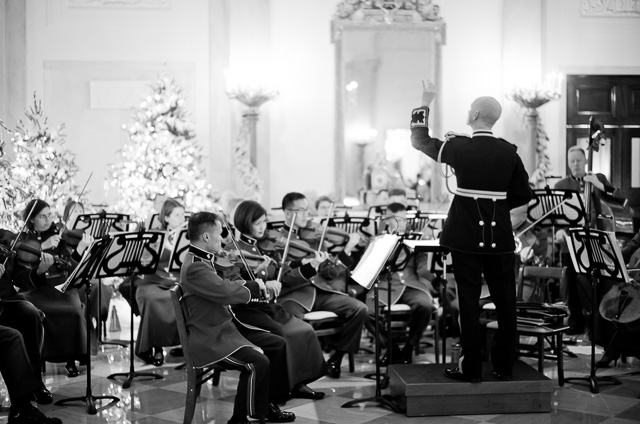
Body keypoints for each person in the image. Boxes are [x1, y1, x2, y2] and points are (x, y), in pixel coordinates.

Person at [411, 81, 533, 382]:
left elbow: (419, 140)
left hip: (465, 237)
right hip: (501, 240)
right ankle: (505, 367)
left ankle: (471, 369)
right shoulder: (509, 152)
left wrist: (425, 100)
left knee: (467, 302)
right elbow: (523, 193)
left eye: (470, 109)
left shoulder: (458, 147)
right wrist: (498, 205)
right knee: (506, 303)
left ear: (476, 114)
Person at [181, 212, 295, 424]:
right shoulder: (196, 266)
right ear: (206, 237)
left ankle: (267, 404)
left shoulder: (204, 259)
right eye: (219, 234)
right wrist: (257, 285)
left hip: (225, 329)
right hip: (210, 338)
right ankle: (240, 419)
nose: (223, 239)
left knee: (277, 344)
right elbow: (224, 290)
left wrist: (249, 278)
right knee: (256, 362)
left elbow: (226, 282)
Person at [229, 200, 326, 399]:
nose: (263, 227)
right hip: (248, 310)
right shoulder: (233, 250)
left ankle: (299, 382)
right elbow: (234, 284)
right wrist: (259, 278)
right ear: (245, 222)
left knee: (304, 329)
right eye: (258, 223)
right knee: (283, 334)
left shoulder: (263, 248)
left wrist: (309, 265)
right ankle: (283, 388)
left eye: (264, 222)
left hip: (269, 307)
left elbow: (286, 275)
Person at [272, 192, 368, 378]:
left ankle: (336, 358)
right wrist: (311, 265)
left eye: (308, 210)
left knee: (359, 309)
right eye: (302, 211)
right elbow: (285, 278)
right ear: (288, 214)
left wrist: (346, 250)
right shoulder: (277, 241)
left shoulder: (316, 237)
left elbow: (330, 273)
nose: (307, 215)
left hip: (322, 291)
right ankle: (298, 372)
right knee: (291, 323)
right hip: (295, 295)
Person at [12, 199, 94, 378]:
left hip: (61, 288)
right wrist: (42, 250)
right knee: (35, 311)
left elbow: (71, 270)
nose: (48, 220)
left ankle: (71, 357)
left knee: (73, 309)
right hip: (35, 291)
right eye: (43, 216)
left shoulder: (60, 236)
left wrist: (79, 251)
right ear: (32, 219)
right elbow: (22, 277)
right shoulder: (24, 240)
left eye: (50, 215)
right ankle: (39, 360)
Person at [555, 145, 626, 334]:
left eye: (578, 160)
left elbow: (621, 198)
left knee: (601, 282)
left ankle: (601, 323)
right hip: (571, 241)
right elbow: (558, 217)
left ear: (586, 161)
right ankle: (576, 320)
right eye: (571, 161)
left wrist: (599, 184)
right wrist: (560, 232)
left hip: (597, 239)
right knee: (571, 278)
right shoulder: (561, 186)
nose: (575, 164)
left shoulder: (598, 179)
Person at [367, 202, 435, 364]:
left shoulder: (414, 239)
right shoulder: (378, 239)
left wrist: (425, 249)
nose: (402, 224)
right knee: (367, 311)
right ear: (387, 220)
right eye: (398, 220)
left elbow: (423, 267)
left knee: (425, 305)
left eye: (405, 220)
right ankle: (391, 348)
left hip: (411, 285)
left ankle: (409, 347)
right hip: (384, 286)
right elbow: (369, 268)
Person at [0, 230, 51, 405]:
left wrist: (39, 271)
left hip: (6, 300)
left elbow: (20, 277)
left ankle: (36, 382)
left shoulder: (6, 238)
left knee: (31, 314)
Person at [135, 198, 184, 366]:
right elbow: (143, 262)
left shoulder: (186, 237)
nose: (182, 219)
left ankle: (186, 343)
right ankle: (156, 347)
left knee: (187, 295)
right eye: (177, 215)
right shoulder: (155, 235)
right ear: (167, 218)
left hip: (176, 281)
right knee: (152, 299)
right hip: (153, 281)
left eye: (183, 216)